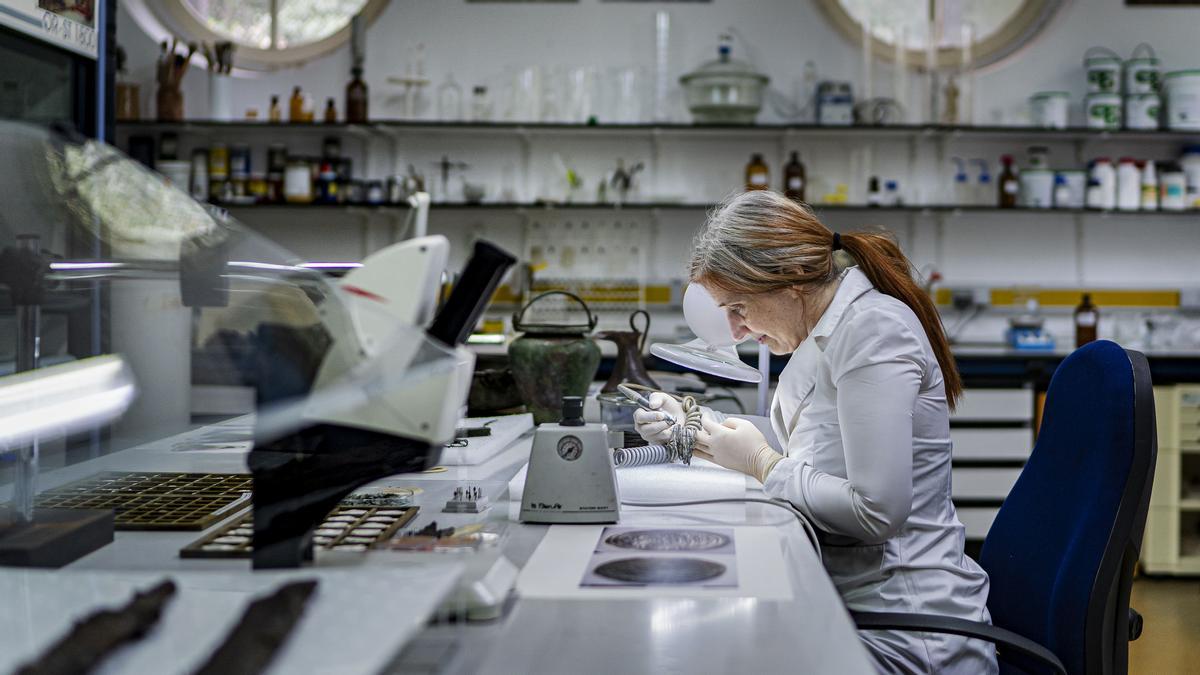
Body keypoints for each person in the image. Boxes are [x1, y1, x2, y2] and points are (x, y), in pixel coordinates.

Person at [635, 191, 997, 674]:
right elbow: (813, 443)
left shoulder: (873, 331)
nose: (736, 331)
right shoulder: (825, 331)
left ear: (790, 285)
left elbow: (876, 511)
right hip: (847, 600)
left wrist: (760, 463)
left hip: (906, 628)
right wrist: (697, 426)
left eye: (738, 307)